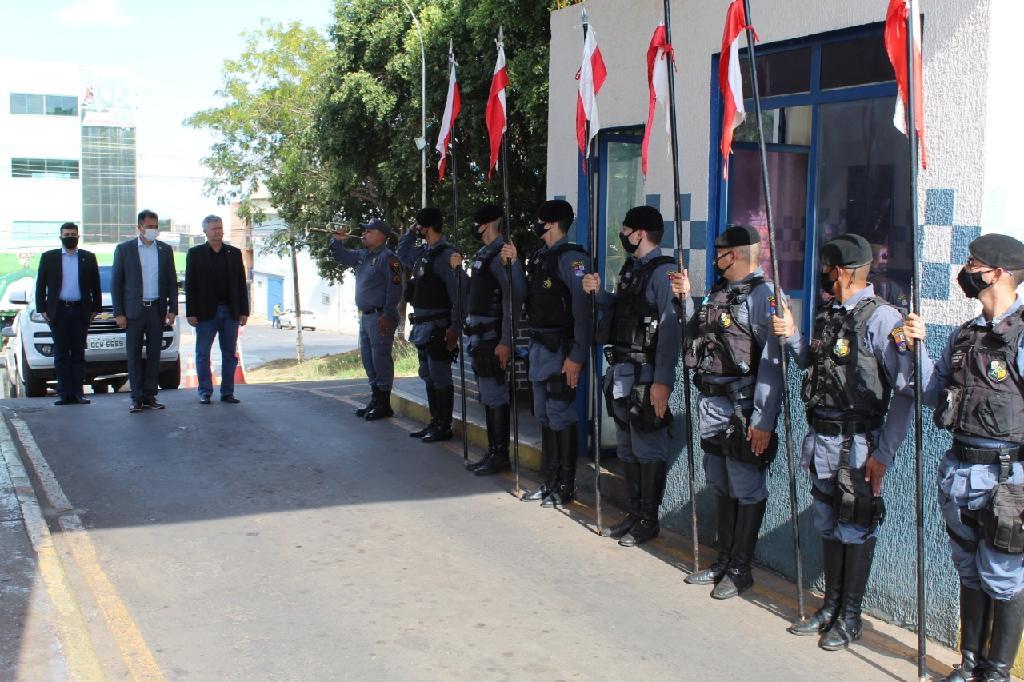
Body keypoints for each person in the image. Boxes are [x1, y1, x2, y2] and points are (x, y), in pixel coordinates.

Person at [773, 233, 918, 651]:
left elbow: (906, 393)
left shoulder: (883, 319)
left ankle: (850, 617)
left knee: (855, 526)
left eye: (827, 268)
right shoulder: (829, 314)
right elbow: (807, 361)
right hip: (821, 438)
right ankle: (831, 606)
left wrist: (883, 455)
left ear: (841, 271)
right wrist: (791, 333)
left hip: (859, 443)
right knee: (829, 524)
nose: (823, 274)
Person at [904, 234, 1024, 682]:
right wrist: (917, 347)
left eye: (975, 263)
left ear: (998, 273)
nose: (966, 270)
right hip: (960, 470)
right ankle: (970, 661)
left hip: (1006, 478)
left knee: (1004, 576)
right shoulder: (966, 334)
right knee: (970, 571)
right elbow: (931, 391)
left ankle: (996, 672)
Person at [672, 224, 784, 599]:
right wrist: (686, 300)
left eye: (719, 252)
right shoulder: (720, 292)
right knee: (719, 481)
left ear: (732, 255)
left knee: (746, 486)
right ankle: (723, 559)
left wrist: (763, 419)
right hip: (711, 403)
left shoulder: (763, 295)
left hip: (742, 408)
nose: (715, 258)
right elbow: (699, 334)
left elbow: (774, 361)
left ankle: (741, 568)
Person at [582, 206, 680, 546]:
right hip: (622, 369)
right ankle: (635, 513)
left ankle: (649, 520)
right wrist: (599, 294)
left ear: (640, 233)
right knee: (627, 447)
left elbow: (671, 329)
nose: (622, 235)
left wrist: (663, 381)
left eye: (626, 229)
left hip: (646, 373)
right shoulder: (632, 269)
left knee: (648, 448)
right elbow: (622, 310)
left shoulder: (665, 273)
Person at [503, 199, 592, 507]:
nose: (536, 224)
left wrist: (577, 356)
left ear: (553, 224)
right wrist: (514, 264)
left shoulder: (573, 259)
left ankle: (566, 486)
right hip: (540, 348)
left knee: (560, 414)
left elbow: (583, 310)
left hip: (562, 349)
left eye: (541, 219)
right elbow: (524, 296)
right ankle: (549, 481)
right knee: (543, 414)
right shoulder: (542, 257)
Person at [461, 204, 525, 476]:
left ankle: (500, 455)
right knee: (487, 397)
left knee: (496, 396)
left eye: (477, 224)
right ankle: (492, 451)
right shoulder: (483, 255)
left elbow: (515, 297)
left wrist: (506, 341)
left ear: (485, 225)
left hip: (492, 337)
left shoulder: (502, 255)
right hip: (478, 337)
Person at [396, 207, 466, 443]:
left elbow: (458, 295)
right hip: (423, 326)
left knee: (440, 376)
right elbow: (401, 252)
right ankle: (434, 421)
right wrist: (410, 232)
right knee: (427, 374)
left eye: (419, 226)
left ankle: (443, 425)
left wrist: (454, 328)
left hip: (438, 325)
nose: (417, 230)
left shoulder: (447, 256)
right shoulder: (423, 253)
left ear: (426, 228)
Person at [330, 218, 402, 420]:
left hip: (380, 316)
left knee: (380, 360)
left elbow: (395, 289)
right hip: (367, 315)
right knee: (369, 360)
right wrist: (337, 241)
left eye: (368, 231)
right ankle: (375, 398)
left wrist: (388, 314)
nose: (363, 234)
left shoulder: (389, 259)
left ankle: (384, 403)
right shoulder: (363, 255)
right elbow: (341, 256)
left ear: (381, 235)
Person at [111, 209, 178, 413]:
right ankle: (136, 397)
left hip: (156, 310)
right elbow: (116, 283)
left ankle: (150, 395)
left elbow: (171, 282)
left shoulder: (165, 250)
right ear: (139, 227)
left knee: (154, 354)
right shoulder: (125, 249)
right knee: (133, 354)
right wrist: (119, 313)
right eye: (149, 226)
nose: (153, 230)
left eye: (156, 226)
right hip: (134, 311)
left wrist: (172, 308)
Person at [34, 222, 102, 405]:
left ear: (78, 236)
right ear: (61, 237)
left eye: (73, 234)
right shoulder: (49, 258)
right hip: (59, 311)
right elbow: (41, 285)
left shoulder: (88, 257)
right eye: (66, 234)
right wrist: (42, 308)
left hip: (80, 311)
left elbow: (96, 286)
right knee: (62, 354)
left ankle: (78, 393)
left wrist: (96, 308)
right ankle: (64, 393)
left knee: (78, 353)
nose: (70, 237)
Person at [185, 215, 250, 405]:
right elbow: (190, 285)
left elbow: (240, 284)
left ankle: (227, 392)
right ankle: (205, 391)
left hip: (230, 311)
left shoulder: (234, 253)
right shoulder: (195, 254)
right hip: (205, 313)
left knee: (229, 353)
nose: (218, 232)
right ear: (205, 231)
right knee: (203, 353)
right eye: (214, 229)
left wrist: (243, 311)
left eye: (220, 228)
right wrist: (191, 312)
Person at [869, 240, 909, 314]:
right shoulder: (894, 287)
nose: (888, 260)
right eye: (885, 256)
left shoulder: (856, 281)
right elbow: (904, 309)